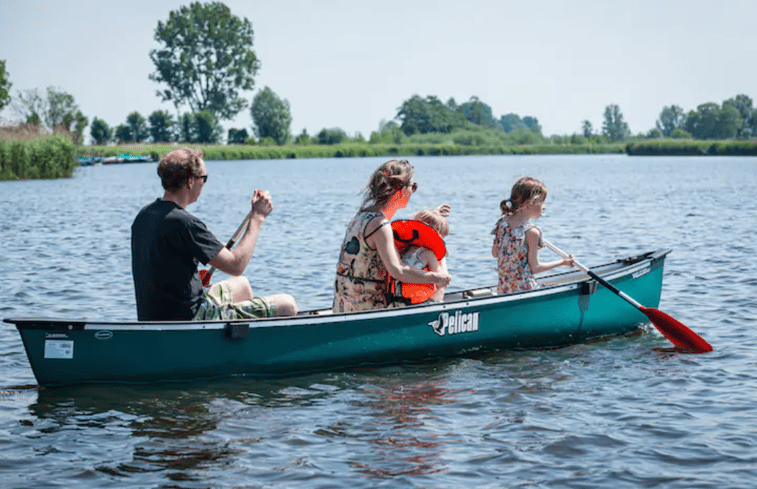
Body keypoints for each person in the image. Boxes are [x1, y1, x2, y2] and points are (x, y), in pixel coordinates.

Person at [131, 148, 297, 321]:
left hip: (155, 316)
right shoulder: (186, 224)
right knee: (287, 304)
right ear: (190, 181)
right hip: (190, 318)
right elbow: (236, 266)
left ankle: (234, 343)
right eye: (204, 178)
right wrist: (257, 217)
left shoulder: (144, 216)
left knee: (242, 285)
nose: (203, 184)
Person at [333, 159, 452, 313]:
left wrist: (432, 218)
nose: (413, 192)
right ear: (400, 189)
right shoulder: (380, 226)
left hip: (342, 305)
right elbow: (398, 271)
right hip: (367, 308)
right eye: (413, 187)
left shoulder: (360, 217)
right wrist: (436, 278)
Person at [491, 176, 574, 294]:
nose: (544, 207)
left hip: (503, 291)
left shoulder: (502, 223)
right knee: (563, 288)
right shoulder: (531, 232)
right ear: (528, 204)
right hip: (525, 290)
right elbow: (535, 268)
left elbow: (495, 254)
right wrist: (563, 262)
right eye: (542, 201)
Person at [391, 207, 450, 304]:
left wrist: (433, 214)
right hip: (423, 304)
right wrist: (442, 257)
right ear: (437, 233)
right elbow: (442, 281)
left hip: (400, 302)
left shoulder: (403, 250)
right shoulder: (427, 254)